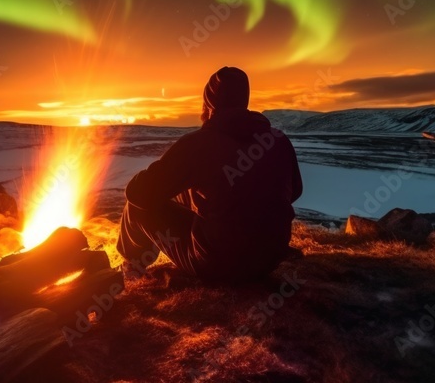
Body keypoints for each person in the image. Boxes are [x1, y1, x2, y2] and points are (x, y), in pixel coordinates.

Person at [116, 66, 303, 283]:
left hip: (217, 264)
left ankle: (132, 270)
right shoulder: (278, 139)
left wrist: (156, 172)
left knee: (137, 208)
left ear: (209, 104)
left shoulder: (198, 144)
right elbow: (295, 191)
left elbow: (139, 194)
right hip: (269, 259)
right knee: (191, 194)